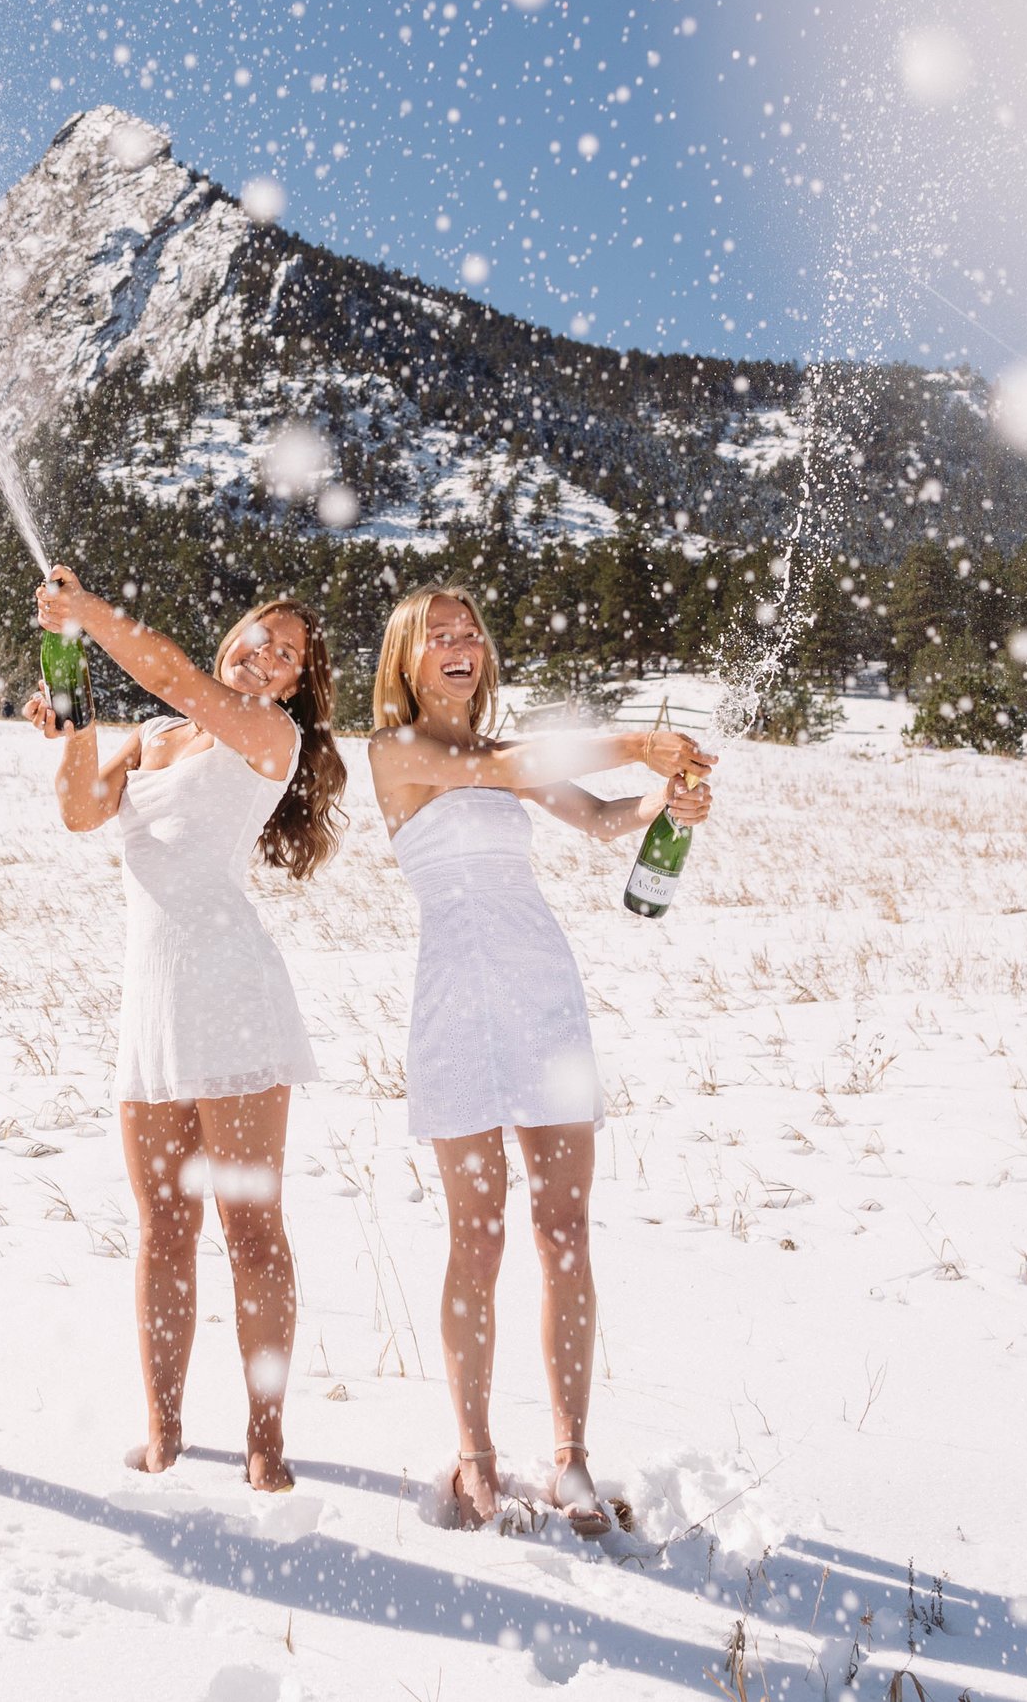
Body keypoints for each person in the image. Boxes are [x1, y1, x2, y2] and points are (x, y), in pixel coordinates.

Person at [366, 586, 715, 1534]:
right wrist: (637, 737)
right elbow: (510, 761)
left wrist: (664, 797)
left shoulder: (501, 754)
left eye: (470, 630)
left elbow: (602, 820)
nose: (459, 644)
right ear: (404, 657)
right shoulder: (400, 751)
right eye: (437, 634)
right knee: (476, 1236)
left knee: (565, 1230)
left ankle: (570, 1457)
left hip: (542, 994)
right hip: (454, 1005)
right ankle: (475, 1455)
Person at [23, 568, 346, 1492]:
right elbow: (80, 811)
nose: (268, 656)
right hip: (151, 1005)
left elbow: (172, 675)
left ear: (292, 689)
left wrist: (90, 613)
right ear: (233, 633)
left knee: (251, 1229)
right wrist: (78, 727)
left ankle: (265, 1435)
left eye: (288, 656)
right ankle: (164, 1429)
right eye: (261, 634)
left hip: (235, 997)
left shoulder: (267, 734)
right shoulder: (153, 740)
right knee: (163, 1225)